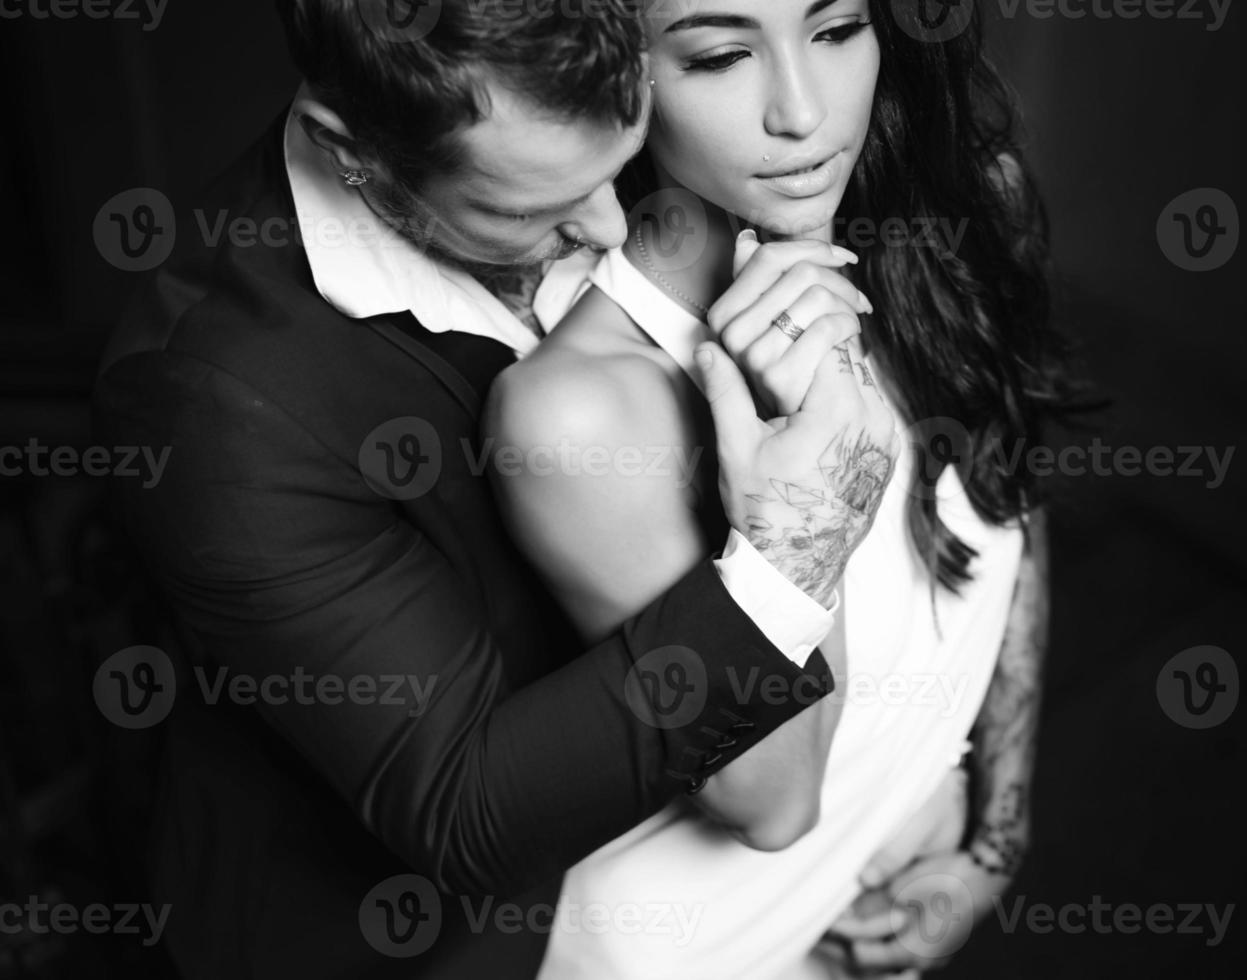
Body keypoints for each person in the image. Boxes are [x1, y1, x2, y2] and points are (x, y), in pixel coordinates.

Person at [89, 1, 901, 977]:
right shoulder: (216, 408)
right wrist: (795, 549)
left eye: (620, 157)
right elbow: (466, 813)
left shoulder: (602, 101)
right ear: (353, 152)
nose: (609, 225)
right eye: (529, 207)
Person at [485, 0, 1067, 976]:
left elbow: (1008, 493)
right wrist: (802, 493)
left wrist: (988, 838)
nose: (803, 111)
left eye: (837, 31)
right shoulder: (583, 414)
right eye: (720, 56)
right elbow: (774, 798)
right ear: (617, 77)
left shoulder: (963, 207)